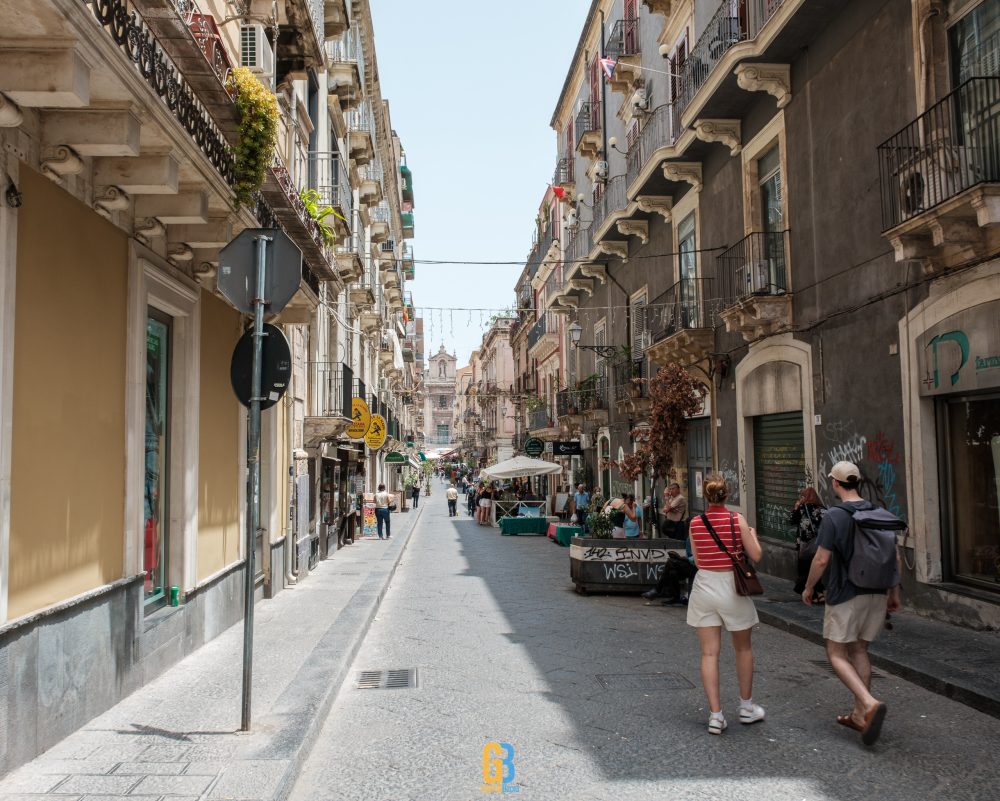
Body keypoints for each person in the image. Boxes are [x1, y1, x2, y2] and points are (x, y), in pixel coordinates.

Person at [802, 461, 900, 746]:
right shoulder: (879, 511)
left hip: (846, 592)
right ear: (858, 482)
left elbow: (821, 559)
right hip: (878, 591)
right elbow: (893, 557)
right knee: (860, 649)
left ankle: (868, 703)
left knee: (835, 653)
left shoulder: (834, 516)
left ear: (835, 483)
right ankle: (859, 714)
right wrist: (894, 594)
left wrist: (809, 588)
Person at [687, 474, 765, 735]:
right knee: (743, 649)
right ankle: (746, 706)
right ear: (727, 495)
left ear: (705, 496)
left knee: (709, 653)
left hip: (704, 586)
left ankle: (716, 716)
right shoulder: (736, 519)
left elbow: (698, 561)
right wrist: (752, 535)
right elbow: (755, 555)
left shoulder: (695, 523)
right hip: (732, 587)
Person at [788, 487, 825, 601]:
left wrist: (796, 508)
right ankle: (819, 593)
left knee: (805, 570)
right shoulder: (822, 509)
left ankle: (811, 594)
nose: (801, 498)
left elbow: (791, 520)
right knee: (816, 569)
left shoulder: (802, 508)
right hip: (819, 545)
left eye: (803, 496)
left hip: (805, 545)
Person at [643, 539, 698, 603]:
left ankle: (657, 590)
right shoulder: (689, 538)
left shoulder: (697, 538)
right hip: (690, 565)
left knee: (670, 562)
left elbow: (695, 559)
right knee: (672, 572)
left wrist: (681, 558)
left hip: (696, 567)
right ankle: (675, 598)